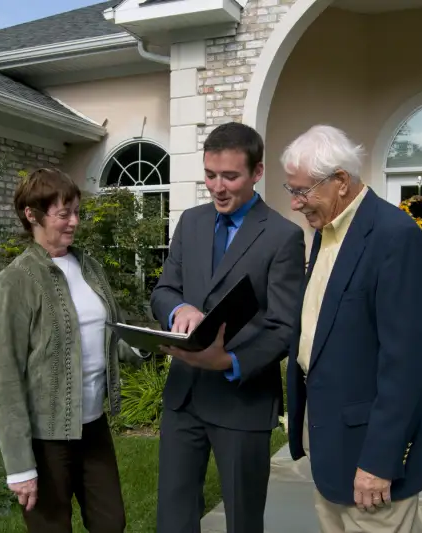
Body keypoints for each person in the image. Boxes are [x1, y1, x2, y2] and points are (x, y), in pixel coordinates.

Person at [150, 122, 306, 533]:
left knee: (242, 520)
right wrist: (178, 307)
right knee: (173, 517)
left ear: (256, 173)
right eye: (210, 174)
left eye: (230, 176)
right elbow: (164, 289)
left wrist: (230, 361)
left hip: (243, 401)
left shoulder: (283, 237)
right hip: (184, 397)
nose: (217, 187)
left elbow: (284, 325)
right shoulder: (191, 222)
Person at [282, 125, 422, 533]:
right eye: (291, 190)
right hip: (330, 439)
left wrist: (380, 461)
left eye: (302, 191)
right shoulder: (326, 232)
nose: (295, 203)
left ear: (341, 182)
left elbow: (406, 367)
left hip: (369, 456)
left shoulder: (394, 237)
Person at [0, 168, 142, 533]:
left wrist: (151, 346)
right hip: (45, 437)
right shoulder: (15, 282)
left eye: (76, 212)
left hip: (93, 427)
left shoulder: (89, 267)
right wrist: (21, 467)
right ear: (32, 215)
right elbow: (4, 378)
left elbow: (108, 336)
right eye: (63, 213)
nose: (74, 222)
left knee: (111, 523)